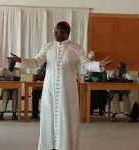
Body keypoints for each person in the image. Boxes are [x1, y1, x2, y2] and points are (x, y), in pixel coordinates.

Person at [7, 21, 112, 150]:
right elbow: (36, 61)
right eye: (55, 31)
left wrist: (98, 65)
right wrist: (20, 60)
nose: (56, 33)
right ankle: (48, 146)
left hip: (66, 90)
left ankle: (65, 146)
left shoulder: (76, 48)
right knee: (48, 119)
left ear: (67, 33)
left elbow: (85, 64)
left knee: (65, 119)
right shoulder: (48, 47)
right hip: (49, 90)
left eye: (59, 31)